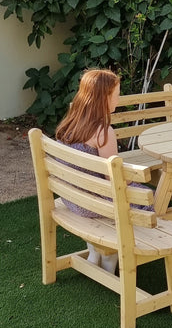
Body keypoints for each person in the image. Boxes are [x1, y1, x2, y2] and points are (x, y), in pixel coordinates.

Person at [56, 69, 153, 273]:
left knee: (129, 191)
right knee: (145, 196)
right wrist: (131, 182)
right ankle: (110, 258)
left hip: (71, 197)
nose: (118, 100)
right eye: (116, 95)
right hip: (92, 204)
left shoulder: (70, 122)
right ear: (103, 98)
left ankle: (94, 253)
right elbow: (113, 179)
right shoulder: (103, 131)